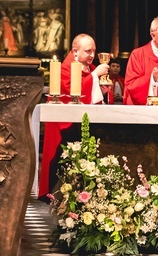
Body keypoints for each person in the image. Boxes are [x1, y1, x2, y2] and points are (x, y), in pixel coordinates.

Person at [39, 34, 110, 199]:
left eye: (94, 51)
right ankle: (57, 195)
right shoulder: (65, 68)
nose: (92, 55)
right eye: (88, 51)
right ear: (75, 52)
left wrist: (102, 90)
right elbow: (73, 93)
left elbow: (92, 94)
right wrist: (94, 77)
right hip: (65, 125)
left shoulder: (91, 69)